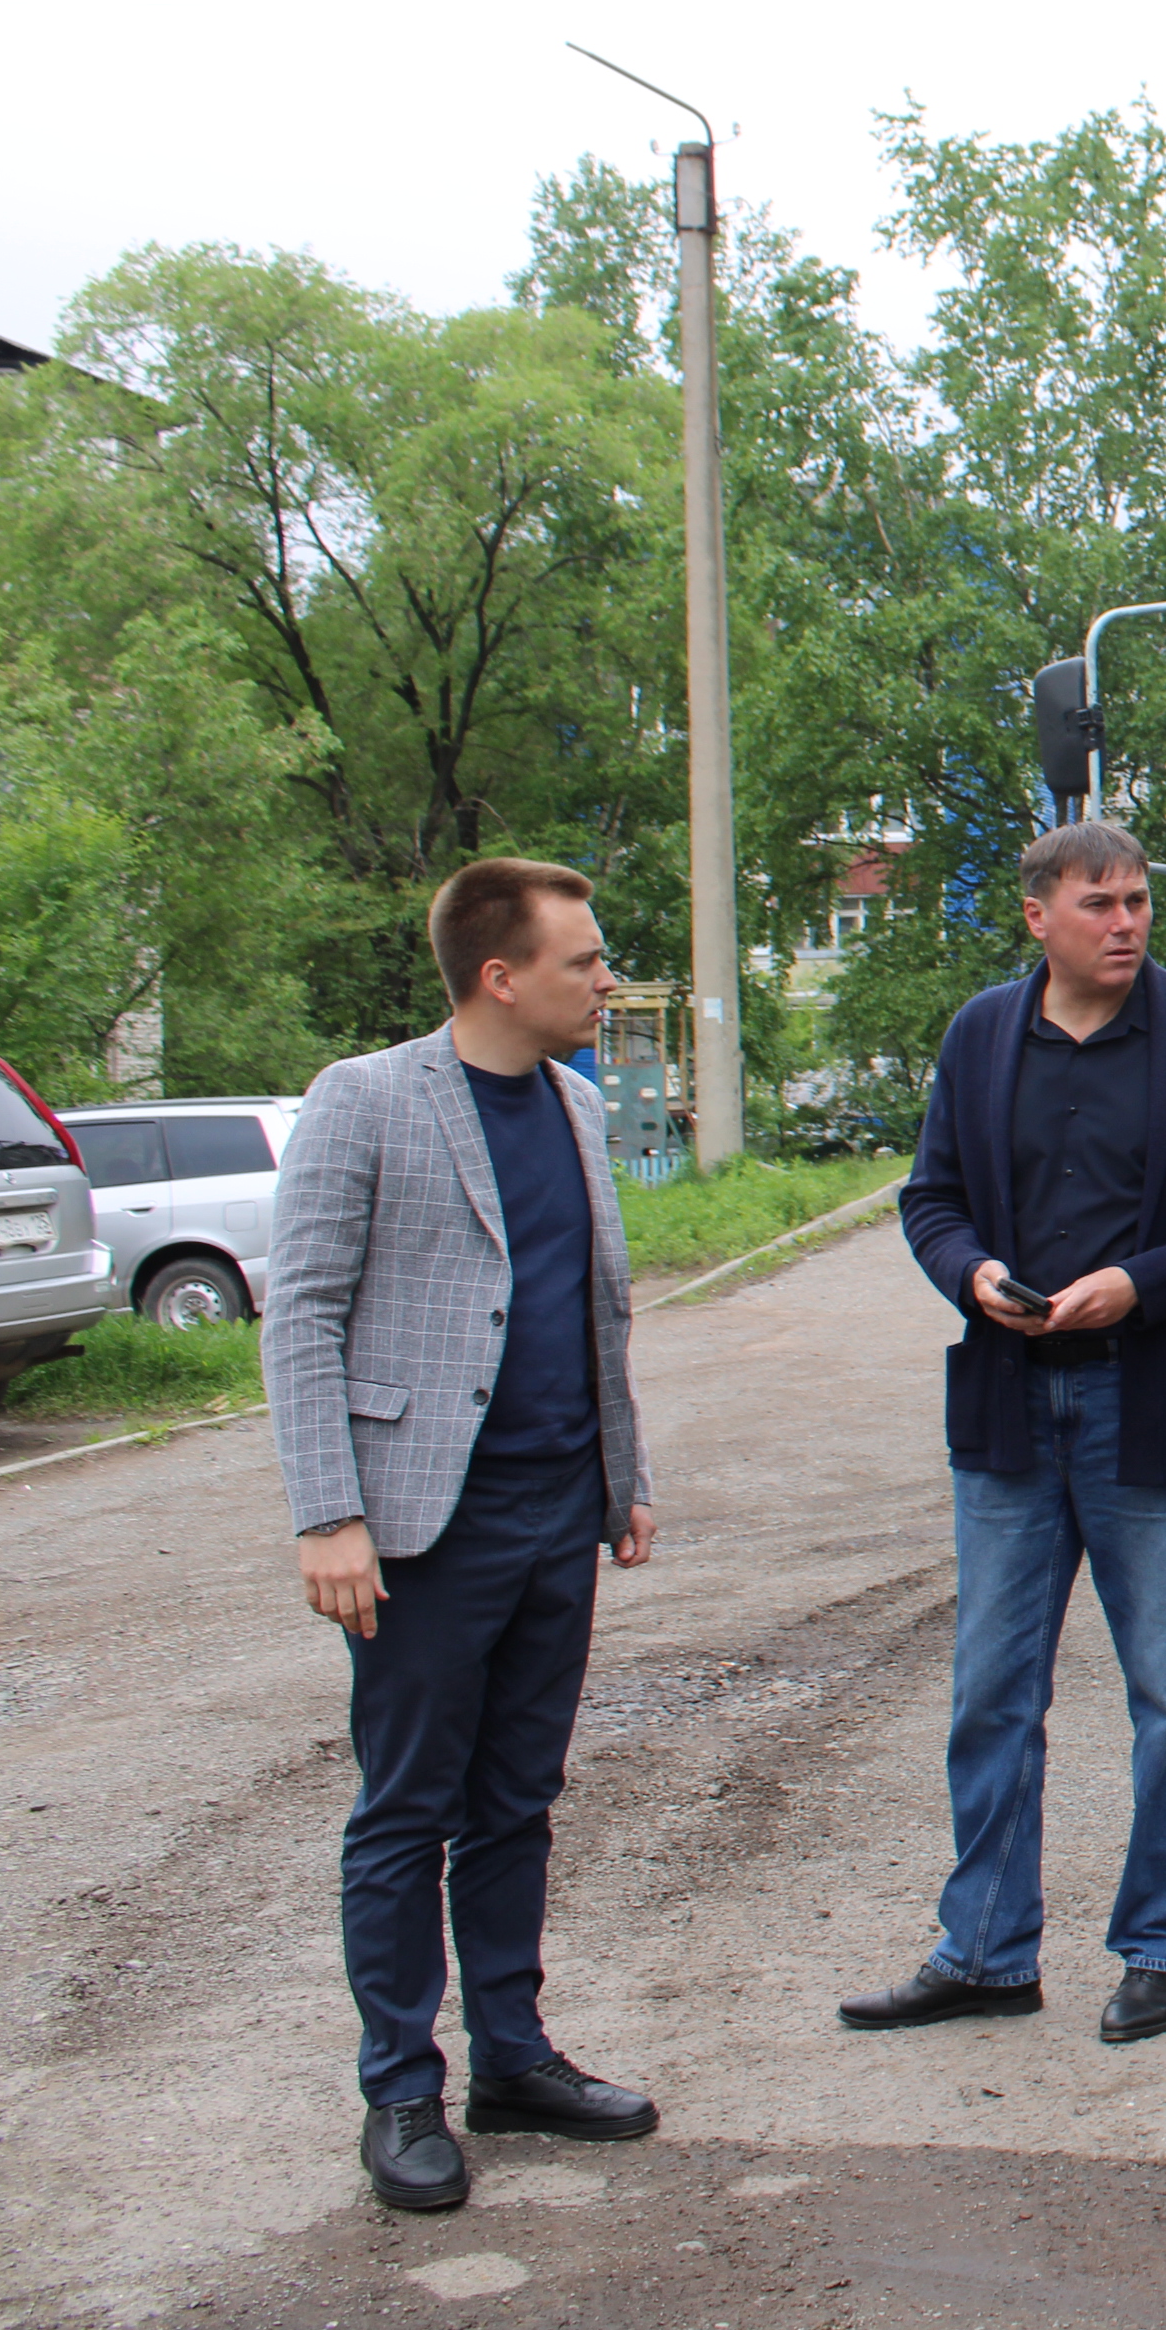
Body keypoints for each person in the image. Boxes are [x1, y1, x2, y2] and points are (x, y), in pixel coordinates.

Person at [843, 821, 1166, 2045]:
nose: (1129, 922)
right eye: (1101, 903)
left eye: (1139, 900)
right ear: (1038, 915)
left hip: (1147, 1407)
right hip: (1010, 1404)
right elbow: (929, 1197)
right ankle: (985, 1952)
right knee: (991, 1692)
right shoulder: (984, 1033)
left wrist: (1137, 1283)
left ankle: (1160, 1947)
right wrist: (972, 1271)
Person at [268, 857, 660, 2214]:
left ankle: (514, 2057)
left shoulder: (577, 1105)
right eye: (584, 962)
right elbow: (302, 1315)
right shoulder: (366, 1101)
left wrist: (625, 1478)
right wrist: (328, 1512)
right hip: (425, 1529)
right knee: (406, 1809)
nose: (606, 981)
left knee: (518, 1803)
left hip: (559, 1514)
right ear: (502, 975)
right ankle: (400, 2088)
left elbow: (597, 1307)